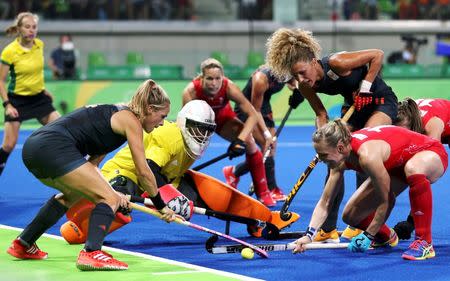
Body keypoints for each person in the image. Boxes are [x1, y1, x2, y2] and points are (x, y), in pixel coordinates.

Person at [6, 79, 176, 271]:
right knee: (108, 198)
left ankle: (23, 243)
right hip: (53, 148)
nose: (162, 123)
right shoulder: (131, 120)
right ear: (150, 109)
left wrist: (109, 191)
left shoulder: (113, 116)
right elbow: (143, 172)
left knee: (73, 195)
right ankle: (92, 252)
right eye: (162, 116)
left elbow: (92, 166)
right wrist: (161, 206)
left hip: (34, 149)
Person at [265, 27, 399, 241]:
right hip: (353, 108)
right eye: (295, 75)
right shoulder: (305, 86)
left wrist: (365, 86)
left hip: (380, 102)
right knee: (334, 162)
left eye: (302, 71)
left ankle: (360, 223)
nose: (300, 78)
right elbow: (320, 113)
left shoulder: (337, 62)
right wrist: (323, 138)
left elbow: (377, 55)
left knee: (365, 149)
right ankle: (327, 228)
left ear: (313, 60)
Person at [59, 99, 217, 243]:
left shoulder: (189, 146)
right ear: (184, 122)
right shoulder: (171, 136)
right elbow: (150, 169)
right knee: (121, 205)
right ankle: (84, 230)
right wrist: (169, 199)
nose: (202, 135)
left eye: (206, 130)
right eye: (197, 128)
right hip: (126, 173)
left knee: (194, 199)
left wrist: (182, 198)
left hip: (153, 181)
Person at [293, 121, 447, 260]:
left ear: (340, 147)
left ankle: (424, 242)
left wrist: (368, 234)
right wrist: (309, 235)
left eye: (323, 155)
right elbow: (325, 202)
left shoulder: (367, 156)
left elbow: (387, 200)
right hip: (397, 165)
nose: (320, 159)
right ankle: (386, 237)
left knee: (413, 169)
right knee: (351, 215)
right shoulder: (338, 160)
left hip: (429, 152)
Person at [182, 58, 276, 207]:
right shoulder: (190, 92)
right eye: (209, 78)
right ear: (201, 78)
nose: (214, 83)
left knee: (250, 142)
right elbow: (186, 122)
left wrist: (240, 140)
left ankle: (263, 193)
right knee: (187, 151)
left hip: (222, 120)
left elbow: (252, 114)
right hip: (199, 123)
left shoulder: (229, 87)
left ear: (223, 78)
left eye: (217, 78)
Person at [223, 65, 304, 201]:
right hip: (248, 110)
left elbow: (292, 83)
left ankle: (234, 171)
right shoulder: (261, 78)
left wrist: (298, 90)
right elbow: (255, 111)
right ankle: (271, 189)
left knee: (270, 150)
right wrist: (266, 134)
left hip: (264, 105)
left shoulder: (288, 71)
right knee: (266, 144)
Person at [0, 12, 61, 177]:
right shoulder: (9, 51)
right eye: (27, 27)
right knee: (8, 145)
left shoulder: (39, 45)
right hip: (17, 101)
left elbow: (36, 72)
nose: (31, 30)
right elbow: (1, 80)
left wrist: (42, 89)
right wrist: (7, 105)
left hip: (39, 99)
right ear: (19, 28)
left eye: (34, 27)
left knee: (63, 129)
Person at [392, 97, 450, 240]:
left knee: (418, 170)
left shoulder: (431, 124)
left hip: (444, 123)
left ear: (413, 125)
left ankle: (413, 226)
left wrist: (411, 222)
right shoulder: (399, 116)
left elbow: (427, 173)